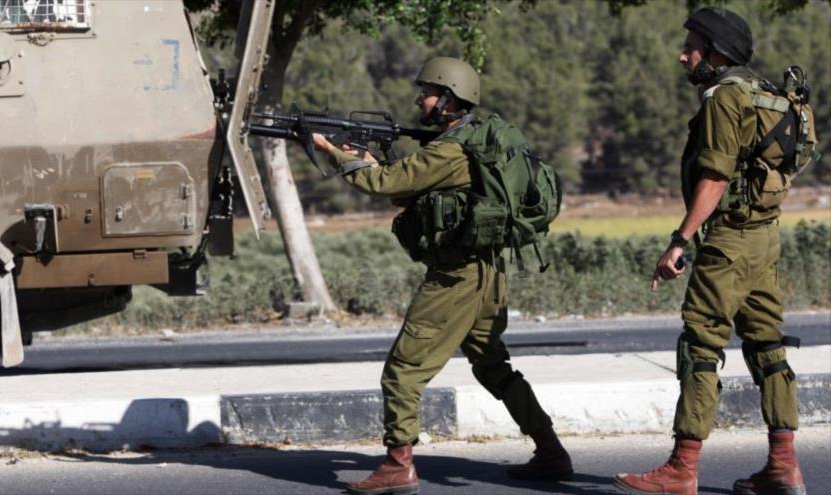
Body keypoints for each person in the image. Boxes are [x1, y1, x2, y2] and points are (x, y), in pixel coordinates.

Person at [311, 57, 572, 495]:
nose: (420, 98)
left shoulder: (450, 150)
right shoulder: (470, 142)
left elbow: (386, 184)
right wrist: (372, 161)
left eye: (428, 92)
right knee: (492, 366)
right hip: (488, 271)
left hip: (456, 276)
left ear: (449, 99)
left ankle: (398, 464)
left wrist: (330, 150)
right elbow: (408, 185)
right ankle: (550, 450)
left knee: (403, 370)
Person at [614, 7, 806, 495]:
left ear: (717, 52)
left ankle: (682, 468)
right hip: (765, 235)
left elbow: (716, 176)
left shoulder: (724, 97)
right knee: (767, 345)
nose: (684, 55)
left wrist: (679, 241)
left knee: (700, 345)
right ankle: (784, 465)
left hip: (729, 240)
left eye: (693, 46)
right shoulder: (768, 95)